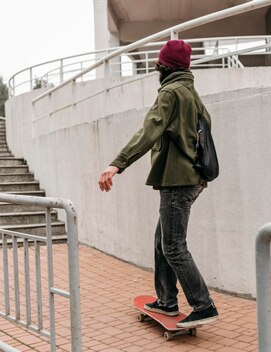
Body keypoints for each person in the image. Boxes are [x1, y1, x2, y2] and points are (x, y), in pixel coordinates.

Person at [98, 39, 219, 328]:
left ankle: (204, 305)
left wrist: (118, 163)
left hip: (179, 181)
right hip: (191, 178)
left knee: (174, 246)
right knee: (162, 241)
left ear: (163, 66)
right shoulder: (191, 92)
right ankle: (166, 300)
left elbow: (149, 129)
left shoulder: (170, 93)